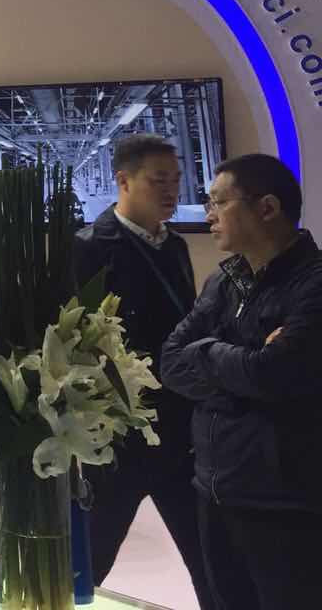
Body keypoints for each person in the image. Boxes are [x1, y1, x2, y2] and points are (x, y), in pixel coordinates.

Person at [160, 153, 322, 610]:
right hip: (214, 489)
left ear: (267, 208)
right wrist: (241, 365)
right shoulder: (224, 279)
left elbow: (274, 374)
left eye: (218, 202)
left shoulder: (314, 282)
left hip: (287, 503)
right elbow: (170, 362)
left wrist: (208, 353)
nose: (208, 215)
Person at [72, 135, 212, 605]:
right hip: (117, 433)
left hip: (179, 428)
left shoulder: (176, 247)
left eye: (176, 180)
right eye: (159, 180)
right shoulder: (88, 248)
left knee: (211, 559)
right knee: (88, 561)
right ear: (124, 180)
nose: (171, 190)